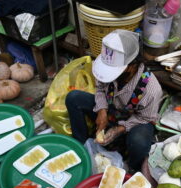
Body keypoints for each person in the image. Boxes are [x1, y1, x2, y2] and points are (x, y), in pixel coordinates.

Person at [66, 29, 162, 170]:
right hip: (111, 109)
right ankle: (82, 148)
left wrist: (120, 128)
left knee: (139, 142)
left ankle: (131, 167)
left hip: (135, 120)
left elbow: (146, 118)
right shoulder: (105, 68)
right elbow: (100, 89)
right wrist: (102, 110)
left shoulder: (151, 89)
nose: (108, 74)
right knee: (74, 98)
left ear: (132, 66)